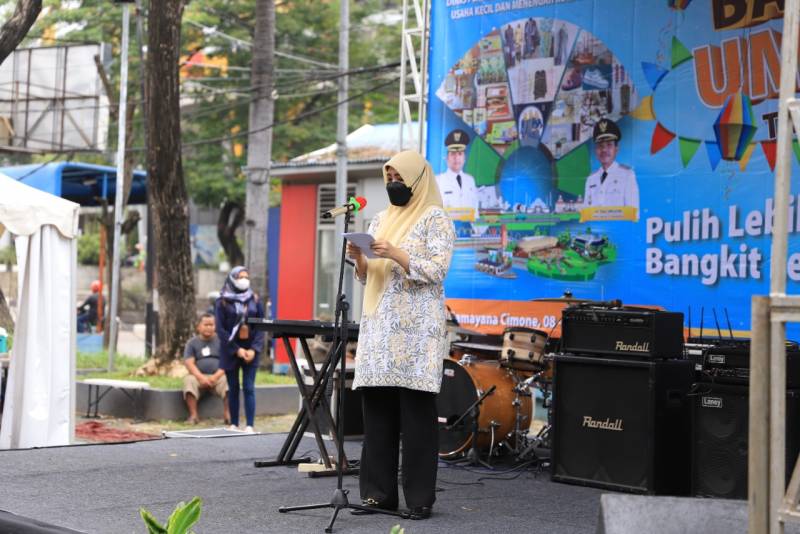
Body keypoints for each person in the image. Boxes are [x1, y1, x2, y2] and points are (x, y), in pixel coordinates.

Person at [346, 150, 456, 520]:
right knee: (378, 416)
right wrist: (361, 258)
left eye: (399, 177)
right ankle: (377, 495)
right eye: (389, 177)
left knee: (416, 419)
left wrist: (396, 253)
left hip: (415, 334)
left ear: (418, 179)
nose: (393, 183)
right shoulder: (380, 218)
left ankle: (420, 499)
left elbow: (437, 270)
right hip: (379, 331)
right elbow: (370, 276)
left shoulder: (435, 218)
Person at [215, 266, 265, 433]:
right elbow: (220, 329)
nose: (244, 280)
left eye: (246, 277)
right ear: (232, 279)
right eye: (240, 277)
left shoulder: (254, 299)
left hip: (251, 350)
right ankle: (234, 424)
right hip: (230, 350)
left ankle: (250, 425)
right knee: (233, 387)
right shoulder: (222, 301)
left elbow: (261, 326)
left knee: (249, 387)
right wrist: (237, 350)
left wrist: (254, 349)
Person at [583, 118, 639, 215]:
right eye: (600, 145)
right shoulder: (591, 178)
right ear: (596, 150)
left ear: (616, 149)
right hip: (596, 225)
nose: (604, 150)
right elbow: (586, 213)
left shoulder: (627, 175)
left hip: (618, 225)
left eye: (609, 145)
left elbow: (633, 214)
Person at [183, 313, 229, 425]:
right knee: (188, 380)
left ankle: (228, 415)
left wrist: (215, 377)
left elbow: (227, 361)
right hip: (198, 377)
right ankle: (193, 416)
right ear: (198, 326)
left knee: (229, 380)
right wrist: (201, 377)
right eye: (206, 325)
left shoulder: (222, 341)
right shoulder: (192, 343)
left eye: (211, 325)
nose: (209, 327)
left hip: (218, 376)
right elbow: (189, 363)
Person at [435, 129, 480, 217]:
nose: (456, 158)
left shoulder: (470, 180)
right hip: (446, 225)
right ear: (447, 158)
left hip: (468, 225)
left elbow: (475, 211)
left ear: (464, 158)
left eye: (460, 154)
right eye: (453, 154)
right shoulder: (438, 180)